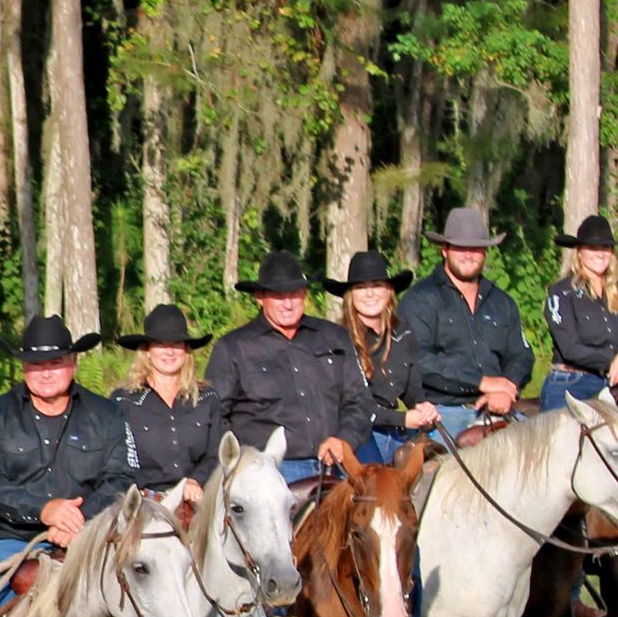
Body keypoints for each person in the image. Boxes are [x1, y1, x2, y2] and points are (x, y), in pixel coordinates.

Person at [204, 249, 376, 488]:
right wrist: (239, 467)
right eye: (278, 296)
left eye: (294, 294)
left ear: (305, 293)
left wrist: (344, 439)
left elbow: (360, 399)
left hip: (337, 463)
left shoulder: (333, 337)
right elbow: (213, 416)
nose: (288, 304)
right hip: (270, 472)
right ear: (260, 297)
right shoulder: (233, 348)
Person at [0, 313, 130, 567]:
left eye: (55, 363)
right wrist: (44, 510)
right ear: (23, 366)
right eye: (36, 364)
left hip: (92, 534)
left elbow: (121, 478)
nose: (46, 373)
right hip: (15, 542)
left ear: (74, 362)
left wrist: (80, 519)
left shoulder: (106, 413)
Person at [397, 205, 535, 437]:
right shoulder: (420, 299)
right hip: (442, 412)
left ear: (485, 252)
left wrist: (507, 387)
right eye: (461, 248)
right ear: (445, 249)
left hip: (497, 408)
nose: (469, 255)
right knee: (437, 471)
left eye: (476, 248)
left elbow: (521, 355)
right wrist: (482, 383)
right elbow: (418, 360)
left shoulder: (502, 302)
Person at [110, 302, 218, 517]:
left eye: (176, 343)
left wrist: (196, 480)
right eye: (160, 344)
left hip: (195, 503)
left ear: (186, 349)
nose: (169, 351)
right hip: (144, 506)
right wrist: (133, 490)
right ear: (147, 351)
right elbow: (116, 457)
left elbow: (215, 453)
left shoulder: (207, 398)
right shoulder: (124, 400)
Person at [543, 216, 618, 406]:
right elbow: (570, 349)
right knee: (564, 434)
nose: (600, 254)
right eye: (592, 248)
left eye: (605, 247)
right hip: (572, 382)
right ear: (579, 252)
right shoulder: (561, 293)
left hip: (614, 381)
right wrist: (616, 362)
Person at [336, 250, 423, 464]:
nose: (370, 294)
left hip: (397, 432)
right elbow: (352, 406)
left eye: (377, 285)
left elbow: (414, 392)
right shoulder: (339, 340)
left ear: (389, 291)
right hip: (359, 433)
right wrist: (403, 419)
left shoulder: (403, 334)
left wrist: (423, 407)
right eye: (360, 287)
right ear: (351, 295)